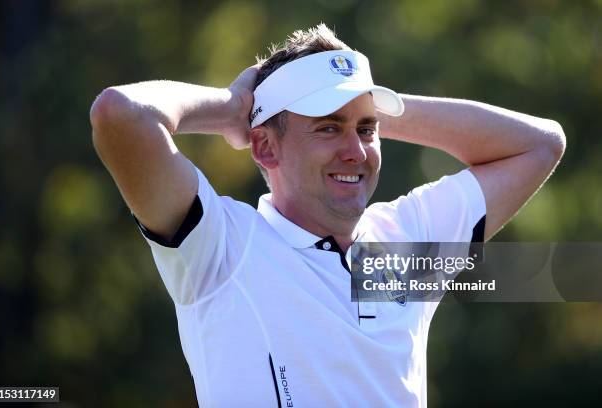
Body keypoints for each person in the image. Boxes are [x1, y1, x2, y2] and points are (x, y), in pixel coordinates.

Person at [90, 24, 565, 407]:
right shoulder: (220, 246)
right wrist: (234, 107)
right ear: (264, 146)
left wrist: (368, 100)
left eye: (366, 129)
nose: (355, 151)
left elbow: (541, 144)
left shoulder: (407, 240)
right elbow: (120, 114)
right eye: (327, 128)